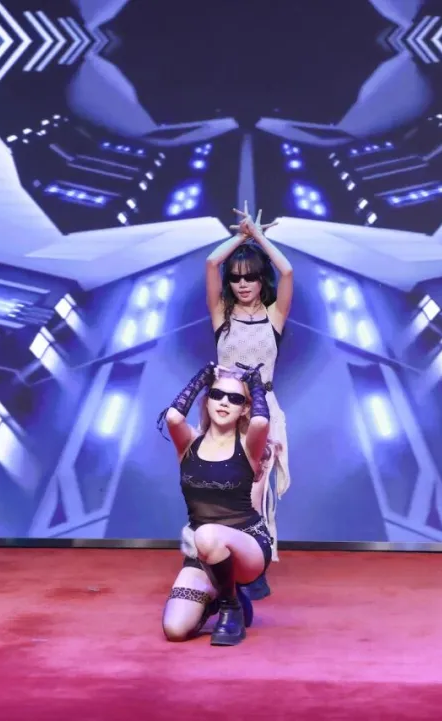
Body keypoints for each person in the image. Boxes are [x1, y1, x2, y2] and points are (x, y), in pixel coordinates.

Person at [204, 203, 293, 600]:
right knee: (221, 492)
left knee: (254, 493)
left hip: (262, 411)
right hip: (225, 413)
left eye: (251, 277)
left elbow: (287, 272)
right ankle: (219, 563)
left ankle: (252, 570)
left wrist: (257, 237)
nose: (243, 284)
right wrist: (240, 237)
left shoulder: (274, 317)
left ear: (261, 281)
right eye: (236, 278)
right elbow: (211, 262)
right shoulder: (221, 314)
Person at [156, 362, 273, 646]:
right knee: (175, 629)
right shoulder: (188, 444)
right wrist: (203, 377)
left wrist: (255, 384)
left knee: (207, 534)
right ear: (207, 400)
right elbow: (173, 417)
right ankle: (224, 593)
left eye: (235, 399)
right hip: (204, 552)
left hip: (248, 545)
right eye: (217, 395)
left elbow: (260, 423)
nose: (224, 402)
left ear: (245, 408)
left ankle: (231, 607)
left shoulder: (249, 446)